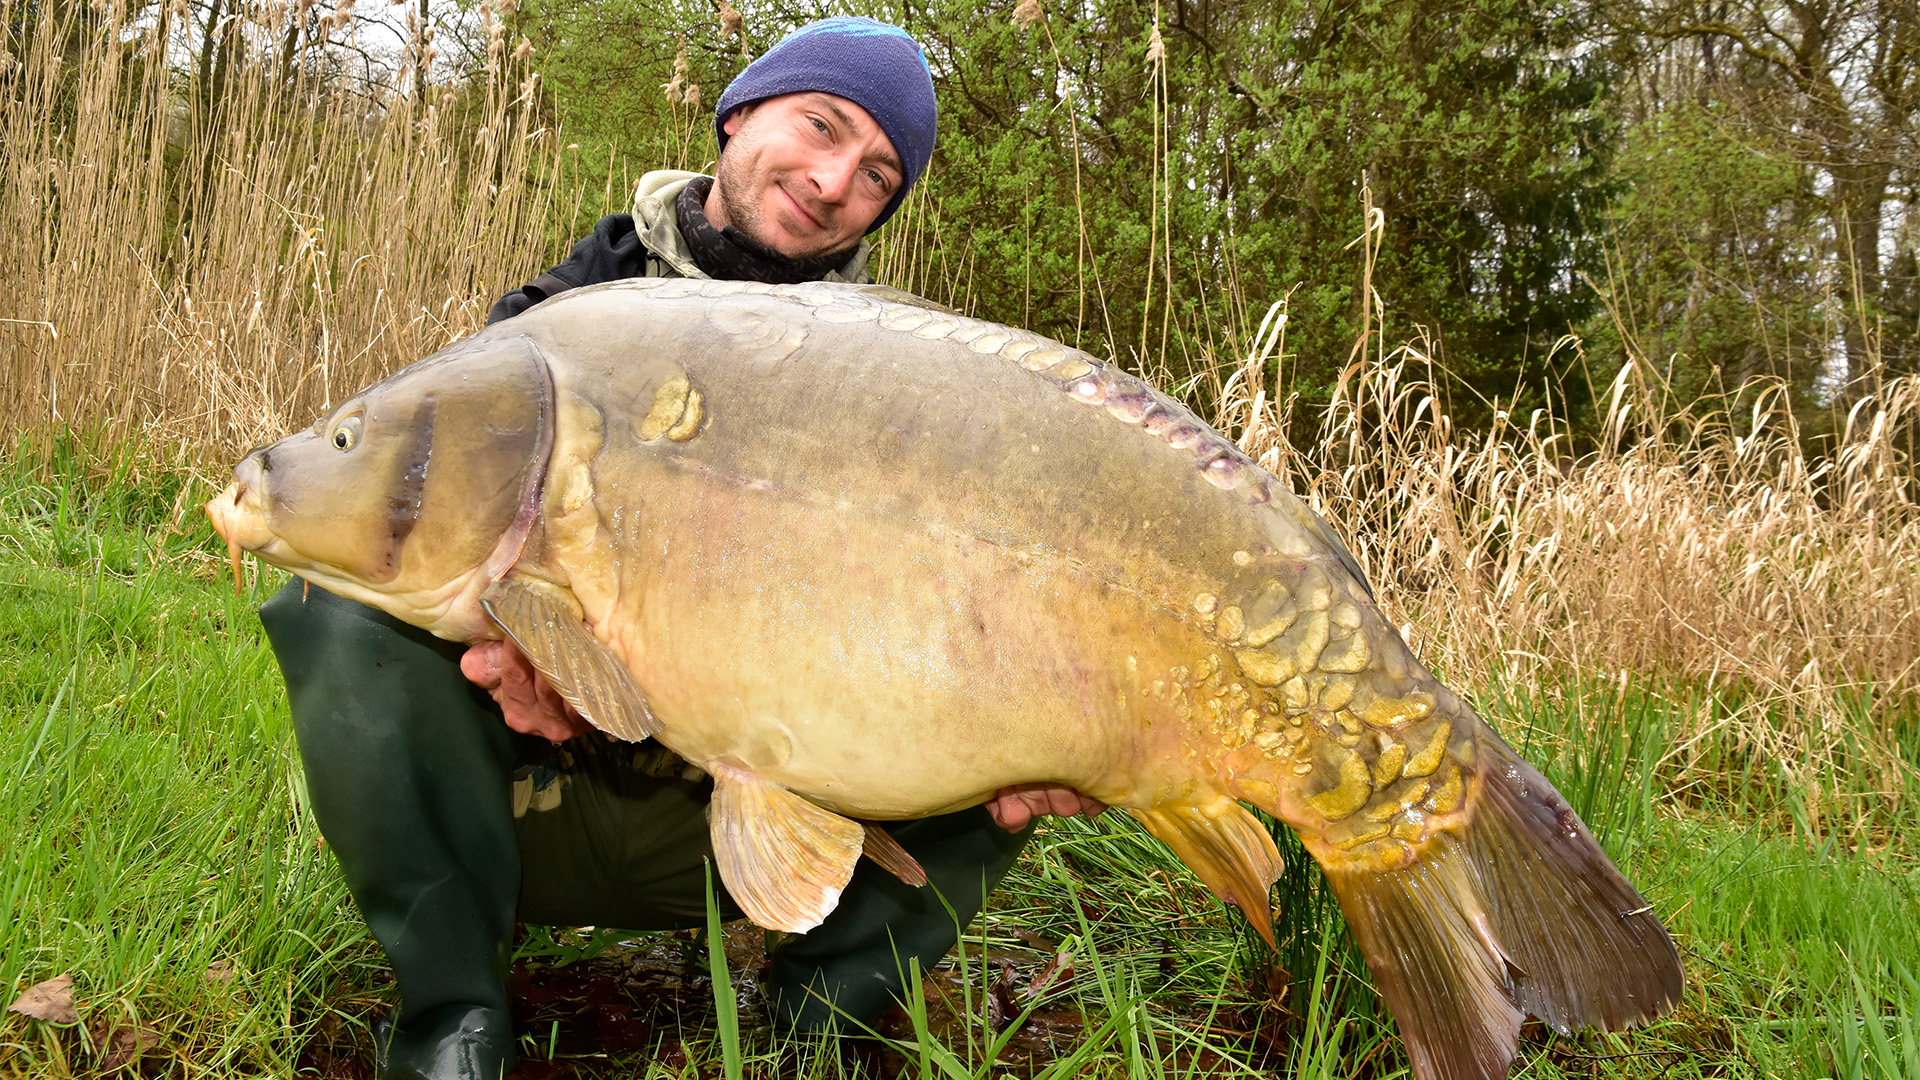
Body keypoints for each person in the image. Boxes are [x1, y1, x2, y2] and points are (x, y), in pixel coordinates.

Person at [259, 17, 1101, 1080]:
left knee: (1030, 676)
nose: (837, 177)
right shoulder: (555, 329)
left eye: (879, 171)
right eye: (820, 123)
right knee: (338, 609)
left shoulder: (899, 393)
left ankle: (825, 1020)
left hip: (767, 822)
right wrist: (518, 635)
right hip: (535, 807)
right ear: (740, 114)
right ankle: (453, 1020)